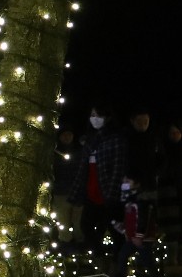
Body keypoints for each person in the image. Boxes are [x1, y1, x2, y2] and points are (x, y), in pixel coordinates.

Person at [79, 105, 127, 261]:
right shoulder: (90, 139)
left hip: (108, 190)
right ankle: (101, 259)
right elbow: (84, 166)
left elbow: (118, 166)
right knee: (86, 226)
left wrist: (113, 192)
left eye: (98, 115)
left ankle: (118, 265)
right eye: (92, 115)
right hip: (91, 189)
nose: (94, 118)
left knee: (114, 229)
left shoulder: (114, 138)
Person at [47, 125, 84, 248]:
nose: (67, 137)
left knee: (79, 223)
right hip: (60, 192)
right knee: (63, 223)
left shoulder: (79, 152)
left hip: (77, 191)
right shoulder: (54, 153)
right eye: (64, 135)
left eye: (69, 134)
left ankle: (80, 248)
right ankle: (65, 248)